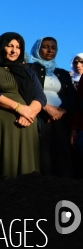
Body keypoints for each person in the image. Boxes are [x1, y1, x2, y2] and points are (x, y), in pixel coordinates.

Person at [0, 32, 46, 178]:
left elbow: (40, 97)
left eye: (18, 47)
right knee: (0, 172)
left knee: (27, 174)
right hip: (0, 125)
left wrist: (30, 113)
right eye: (9, 46)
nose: (14, 50)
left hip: (28, 124)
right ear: (1, 47)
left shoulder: (29, 73)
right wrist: (19, 108)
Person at [26, 37, 75, 178]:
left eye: (53, 48)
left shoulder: (63, 73)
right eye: (45, 46)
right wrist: (46, 108)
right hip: (39, 115)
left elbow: (71, 96)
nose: (49, 50)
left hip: (60, 118)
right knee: (41, 152)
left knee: (61, 153)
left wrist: (61, 111)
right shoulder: (29, 69)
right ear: (38, 48)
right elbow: (27, 91)